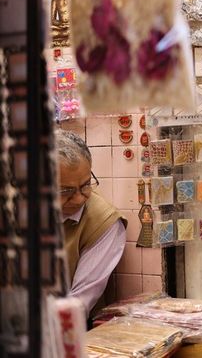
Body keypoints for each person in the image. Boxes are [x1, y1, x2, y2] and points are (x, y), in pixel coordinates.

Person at [56, 130, 126, 315]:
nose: (79, 199)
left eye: (86, 184)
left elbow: (77, 304)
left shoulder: (103, 221)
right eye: (65, 191)